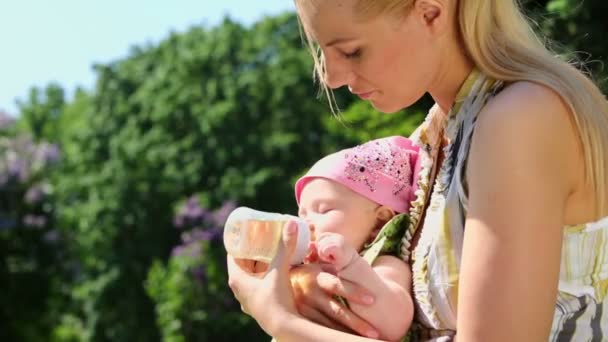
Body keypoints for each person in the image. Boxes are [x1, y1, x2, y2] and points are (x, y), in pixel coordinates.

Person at [227, 0, 608, 341]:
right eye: (322, 51)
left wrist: (283, 323)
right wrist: (316, 287)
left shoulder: (520, 118)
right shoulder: (431, 141)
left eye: (351, 51)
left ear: (430, 11)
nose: (331, 77)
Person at [294, 135, 419, 341]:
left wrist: (351, 265)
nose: (307, 224)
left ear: (379, 222)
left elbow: (393, 324)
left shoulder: (382, 263)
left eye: (324, 210)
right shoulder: (307, 266)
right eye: (302, 215)